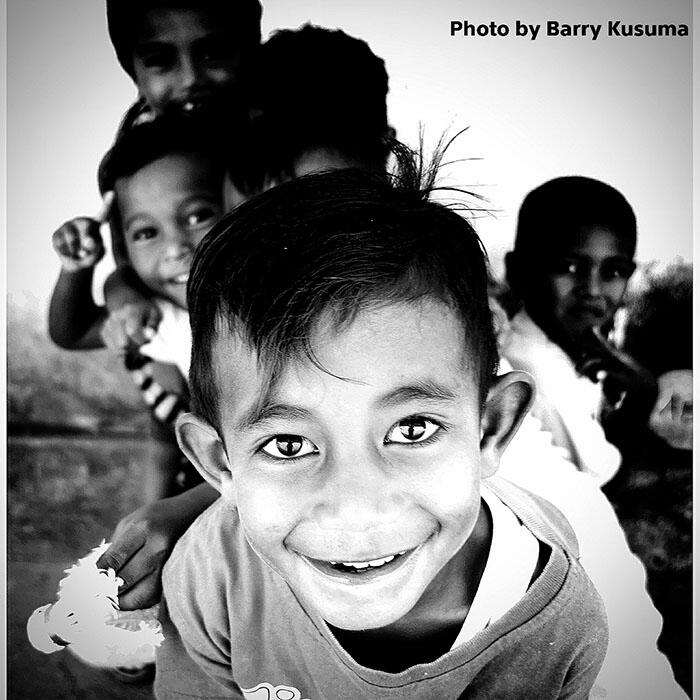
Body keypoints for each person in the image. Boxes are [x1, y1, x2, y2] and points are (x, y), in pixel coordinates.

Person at [154, 169, 608, 698]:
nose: (356, 508)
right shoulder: (212, 579)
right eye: (288, 445)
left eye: (412, 429)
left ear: (491, 431)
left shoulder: (559, 632)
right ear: (220, 464)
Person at [48, 113, 227, 499]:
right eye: (147, 233)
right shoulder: (175, 323)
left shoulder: (277, 312)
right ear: (124, 249)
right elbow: (72, 332)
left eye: (198, 216)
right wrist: (78, 269)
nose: (176, 246)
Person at [501, 176, 638, 484]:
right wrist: (643, 400)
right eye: (569, 267)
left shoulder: (581, 352)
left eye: (613, 271)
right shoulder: (532, 367)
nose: (592, 289)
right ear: (518, 272)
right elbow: (604, 484)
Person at [105, 0, 262, 117]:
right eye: (161, 61)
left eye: (212, 54)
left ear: (247, 54)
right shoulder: (129, 160)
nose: (190, 80)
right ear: (135, 74)